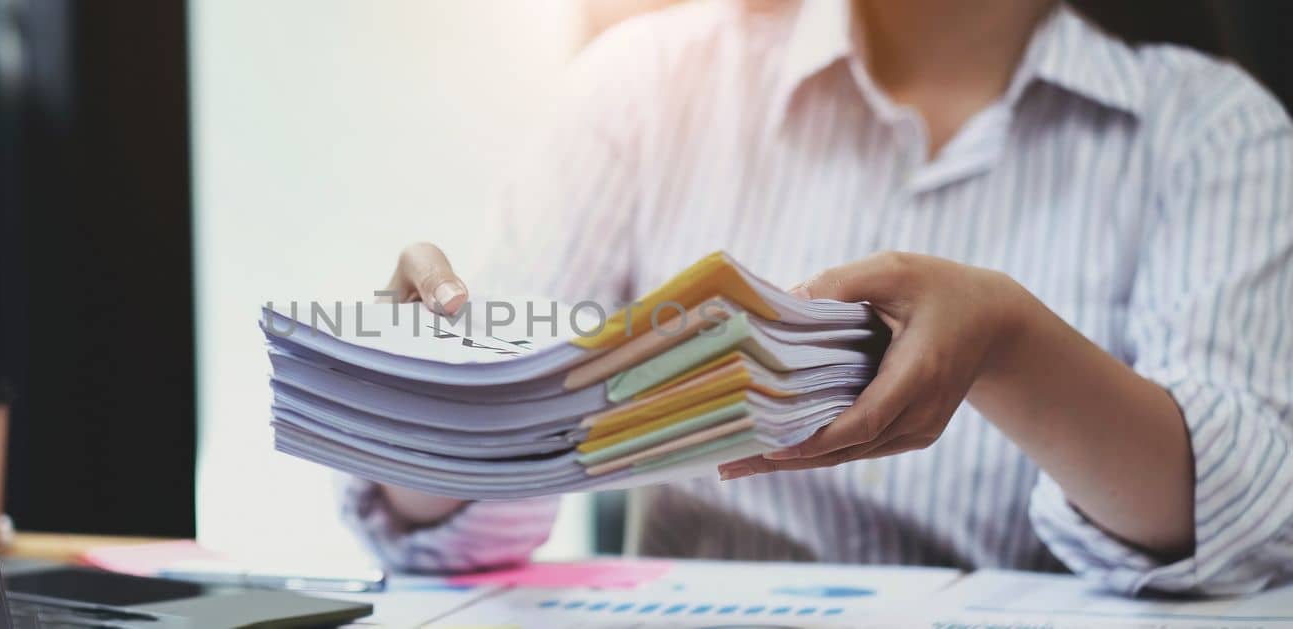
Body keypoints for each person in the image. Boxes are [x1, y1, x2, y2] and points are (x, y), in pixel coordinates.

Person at [342, 0, 1293, 596]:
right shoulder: (642, 87)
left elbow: (1236, 522)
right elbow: (472, 517)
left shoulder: (1212, 131)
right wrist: (435, 402)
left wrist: (1010, 343)